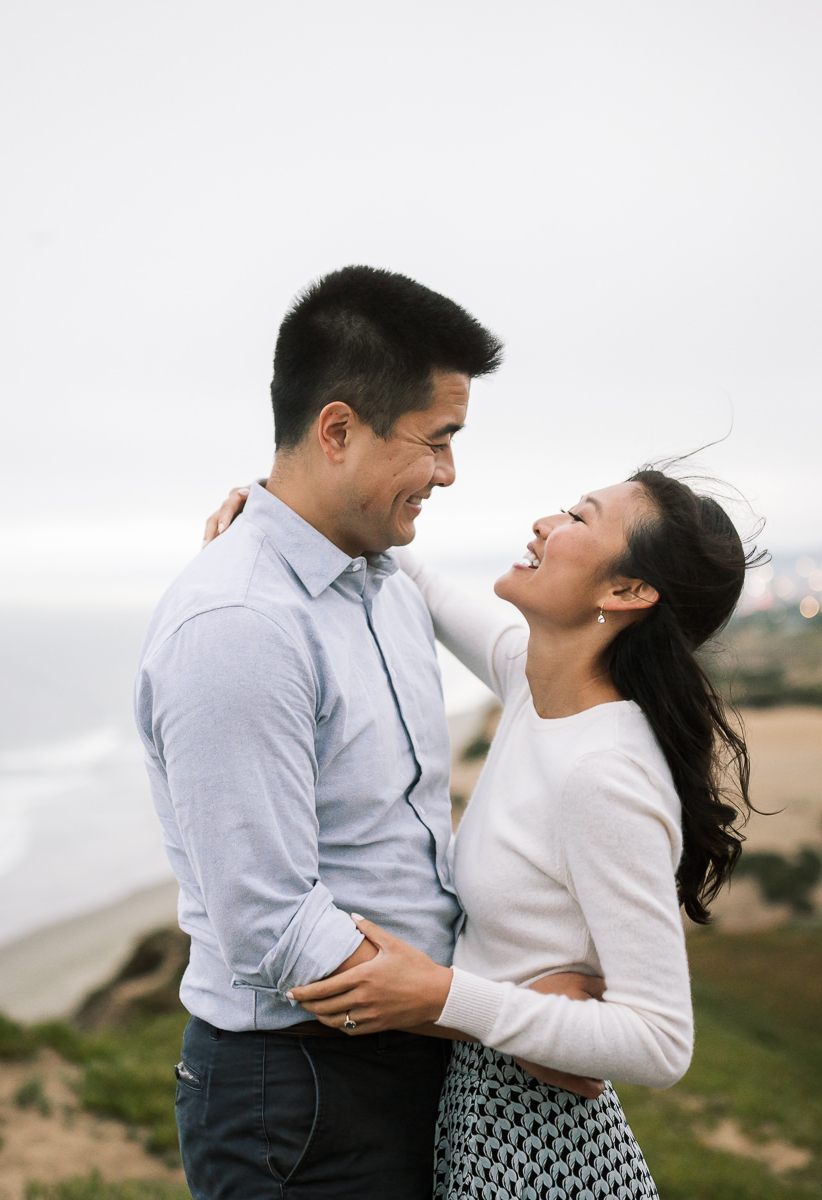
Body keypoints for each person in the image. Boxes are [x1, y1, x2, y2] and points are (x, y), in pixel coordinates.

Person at [208, 467, 756, 1199]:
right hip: (483, 1109)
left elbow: (660, 1042)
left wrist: (443, 997)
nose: (543, 523)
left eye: (579, 520)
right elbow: (422, 583)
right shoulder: (536, 687)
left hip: (541, 1144)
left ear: (625, 593)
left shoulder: (602, 774)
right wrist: (277, 503)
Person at [135, 264, 504, 1200]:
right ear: (338, 429)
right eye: (437, 440)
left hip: (407, 1059)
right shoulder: (239, 625)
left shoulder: (380, 578)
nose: (449, 473)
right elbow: (269, 926)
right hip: (296, 1098)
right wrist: (494, 1018)